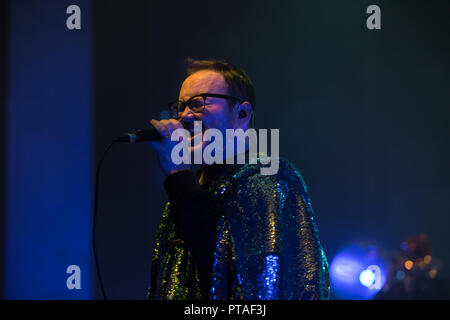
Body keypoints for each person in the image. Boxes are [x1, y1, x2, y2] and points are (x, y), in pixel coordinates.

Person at [147, 58, 329, 299]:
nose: (184, 117)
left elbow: (222, 266)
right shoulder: (191, 187)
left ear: (242, 113)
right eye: (180, 107)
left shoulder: (270, 177)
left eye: (198, 103)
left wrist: (179, 176)